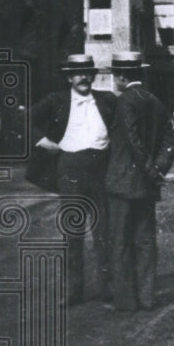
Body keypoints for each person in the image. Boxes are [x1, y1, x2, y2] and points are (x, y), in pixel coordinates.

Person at [28, 54, 117, 304]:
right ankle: (72, 290)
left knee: (104, 231)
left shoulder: (108, 100)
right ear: (69, 77)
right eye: (78, 73)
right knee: (72, 232)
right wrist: (42, 141)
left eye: (88, 72)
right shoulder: (55, 100)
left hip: (101, 170)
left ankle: (106, 288)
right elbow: (26, 119)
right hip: (70, 170)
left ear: (94, 75)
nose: (84, 77)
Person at [104, 51, 174, 312]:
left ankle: (126, 300)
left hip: (123, 183)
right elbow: (170, 141)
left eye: (115, 76)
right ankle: (147, 297)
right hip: (147, 186)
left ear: (121, 77)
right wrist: (158, 169)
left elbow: (133, 141)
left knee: (121, 242)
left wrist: (148, 169)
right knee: (145, 241)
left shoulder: (124, 101)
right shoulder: (155, 101)